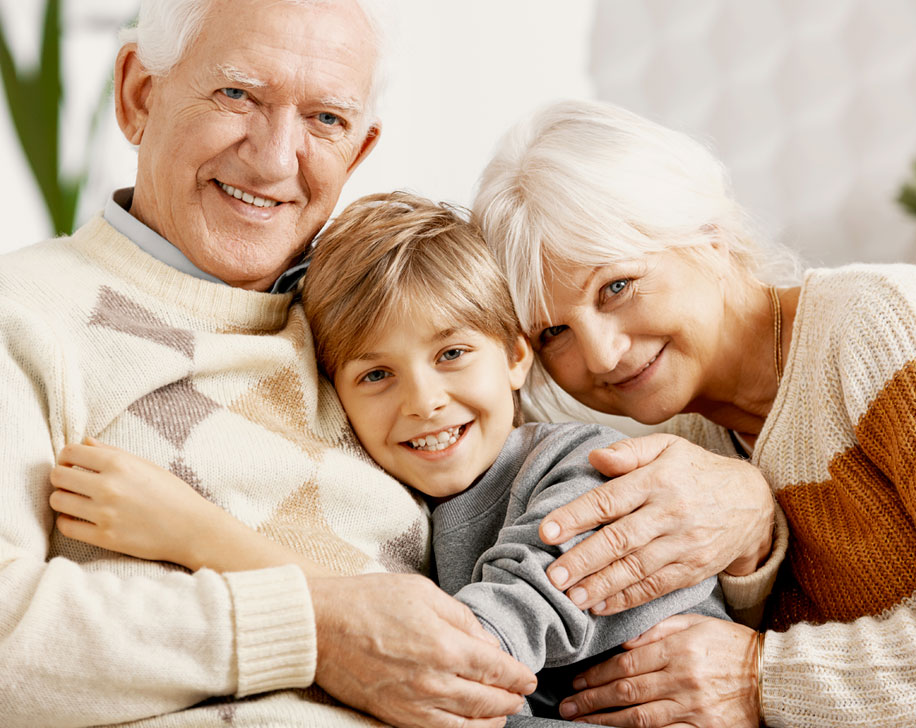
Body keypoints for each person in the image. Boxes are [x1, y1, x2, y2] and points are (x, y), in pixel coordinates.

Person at [0, 1, 542, 726]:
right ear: (139, 94)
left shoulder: (377, 321)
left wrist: (732, 495)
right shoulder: (28, 314)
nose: (274, 156)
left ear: (361, 147)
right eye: (237, 95)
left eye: (326, 120)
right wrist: (312, 627)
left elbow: (585, 432)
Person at [48, 191, 731, 720]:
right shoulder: (415, 509)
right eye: (376, 375)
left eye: (453, 354)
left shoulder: (587, 471)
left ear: (517, 355)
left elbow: (467, 665)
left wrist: (190, 531)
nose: (424, 401)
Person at [472, 97, 916, 727]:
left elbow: (742, 678)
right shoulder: (673, 453)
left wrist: (761, 676)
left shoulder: (886, 328)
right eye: (553, 334)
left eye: (616, 286)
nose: (601, 354)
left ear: (707, 235)